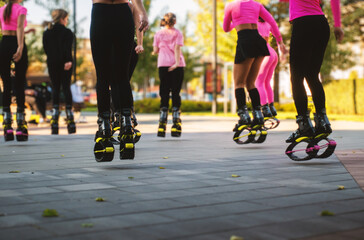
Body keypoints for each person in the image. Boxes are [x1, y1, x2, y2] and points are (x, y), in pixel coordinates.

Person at [90, 0, 148, 161]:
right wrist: (143, 12)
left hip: (100, 12)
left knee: (102, 76)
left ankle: (104, 129)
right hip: (123, 14)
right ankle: (127, 127)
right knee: (122, 76)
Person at [282, 0, 344, 142]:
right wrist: (338, 25)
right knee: (312, 76)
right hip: (321, 25)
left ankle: (304, 125)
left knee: (296, 77)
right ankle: (323, 122)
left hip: (303, 24)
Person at [223, 0, 287, 133]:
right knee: (251, 83)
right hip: (259, 42)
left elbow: (225, 28)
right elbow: (272, 22)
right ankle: (258, 115)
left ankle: (243, 116)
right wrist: (280, 42)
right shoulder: (256, 5)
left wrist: (235, 22)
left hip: (245, 41)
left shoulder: (230, 6)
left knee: (239, 83)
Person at [110, 1, 144, 143]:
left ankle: (120, 114)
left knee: (118, 82)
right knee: (122, 82)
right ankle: (126, 114)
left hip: (123, 47)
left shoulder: (129, 5)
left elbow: (139, 25)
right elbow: (139, 26)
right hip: (127, 47)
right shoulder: (129, 6)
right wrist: (140, 44)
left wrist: (140, 43)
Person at [43, 9, 76, 135]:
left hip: (52, 63)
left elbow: (46, 49)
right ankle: (70, 119)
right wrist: (68, 60)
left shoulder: (47, 32)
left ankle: (55, 120)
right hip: (65, 63)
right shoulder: (67, 32)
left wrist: (52, 58)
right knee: (66, 88)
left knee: (56, 88)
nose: (67, 21)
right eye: (67, 18)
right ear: (62, 18)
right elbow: (67, 48)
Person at [0, 0, 29, 141]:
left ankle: (7, 126)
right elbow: (19, 27)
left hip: (4, 44)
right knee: (19, 85)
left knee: (6, 85)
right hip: (17, 44)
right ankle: (21, 127)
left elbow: (5, 28)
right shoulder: (21, 9)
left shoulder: (2, 9)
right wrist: (20, 47)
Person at [153, 13, 185, 138]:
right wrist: (176, 63)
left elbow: (155, 50)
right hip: (177, 65)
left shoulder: (158, 34)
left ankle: (162, 122)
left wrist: (157, 50)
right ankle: (176, 123)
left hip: (163, 65)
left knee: (164, 92)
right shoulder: (178, 33)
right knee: (176, 92)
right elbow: (177, 48)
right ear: (174, 22)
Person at [255, 17, 279, 118]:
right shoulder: (268, 24)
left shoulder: (254, 23)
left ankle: (265, 109)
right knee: (266, 82)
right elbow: (277, 35)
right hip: (273, 54)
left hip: (265, 54)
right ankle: (271, 107)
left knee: (258, 82)